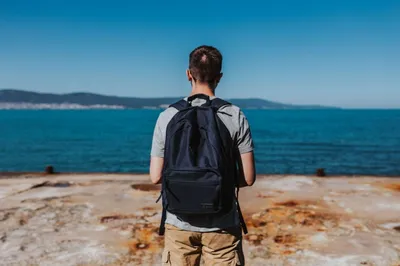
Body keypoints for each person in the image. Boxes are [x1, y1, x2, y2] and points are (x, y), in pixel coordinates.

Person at [150, 45, 256, 266]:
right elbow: (248, 178)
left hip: (178, 224)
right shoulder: (234, 115)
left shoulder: (168, 116)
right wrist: (215, 185)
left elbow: (155, 176)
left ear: (188, 74)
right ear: (220, 77)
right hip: (223, 224)